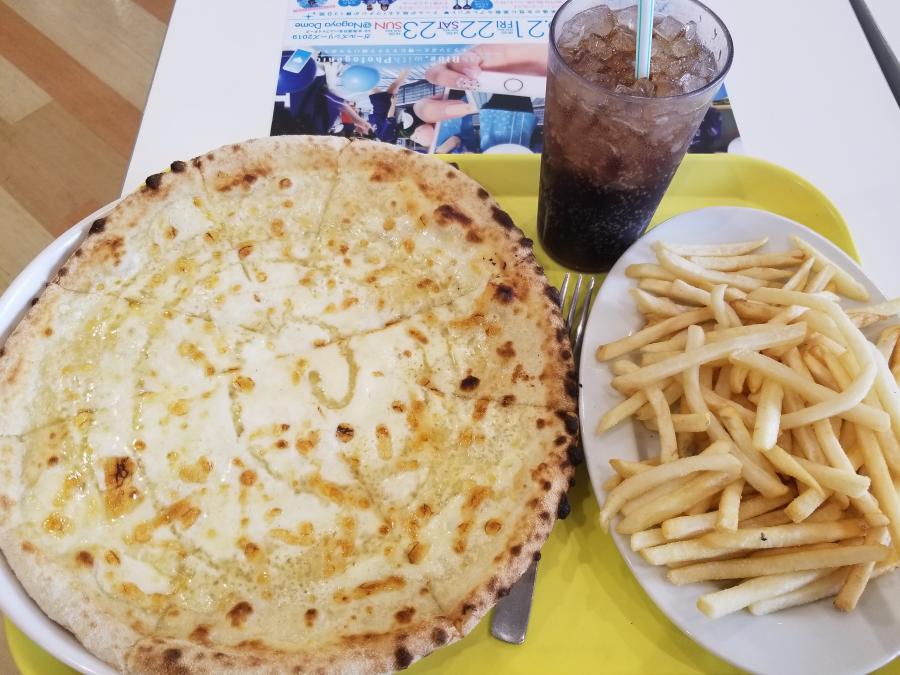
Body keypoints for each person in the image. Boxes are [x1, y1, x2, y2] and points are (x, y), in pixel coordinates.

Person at [367, 68, 409, 144]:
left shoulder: (384, 138)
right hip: (381, 106)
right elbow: (390, 118)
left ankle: (408, 65)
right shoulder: (386, 137)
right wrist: (393, 103)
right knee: (370, 84)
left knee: (397, 83)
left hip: (382, 107)